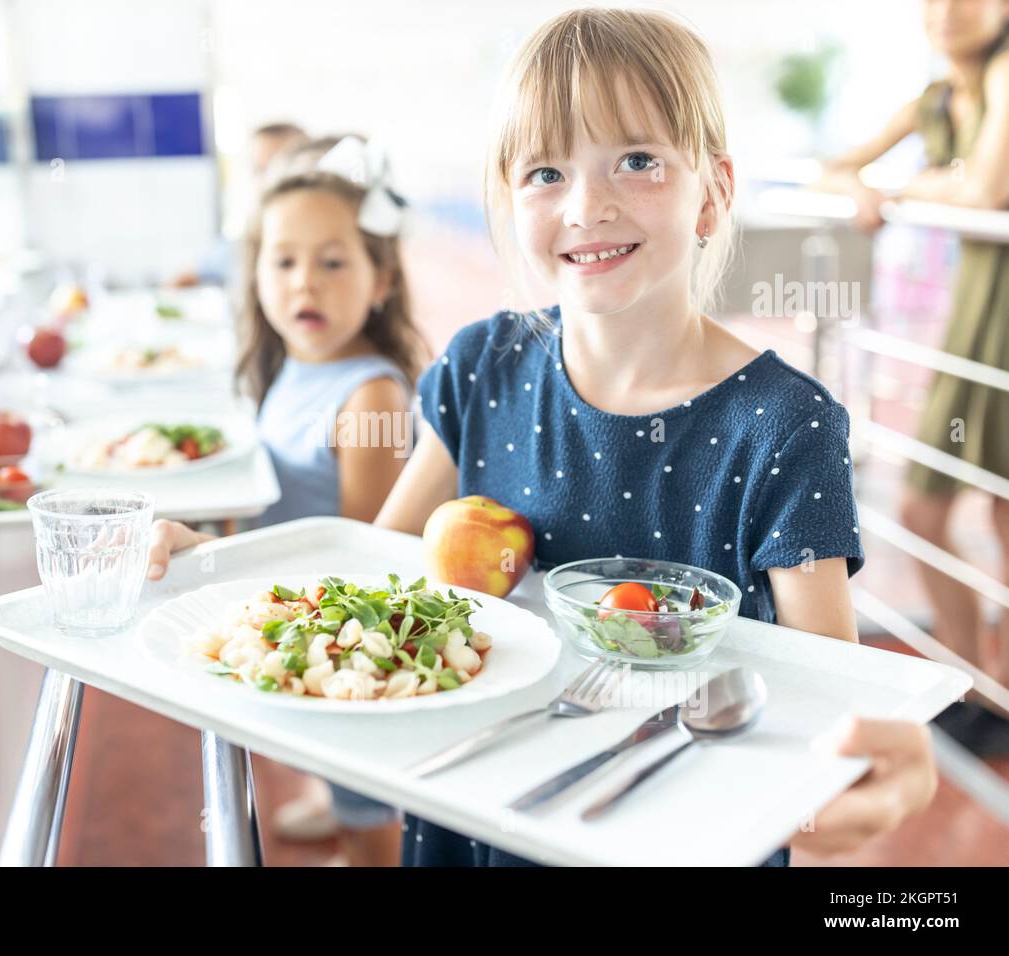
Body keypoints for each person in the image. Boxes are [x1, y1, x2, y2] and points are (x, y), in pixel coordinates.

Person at [145, 7, 940, 865]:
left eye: (637, 161)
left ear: (712, 191)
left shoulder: (787, 425)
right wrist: (229, 577)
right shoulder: (484, 365)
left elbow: (828, 700)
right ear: (507, 197)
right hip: (474, 804)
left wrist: (859, 784)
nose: (588, 205)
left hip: (674, 828)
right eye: (546, 171)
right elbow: (378, 573)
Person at [156, 136, 428, 864]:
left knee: (365, 795)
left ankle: (364, 846)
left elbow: (361, 565)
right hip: (297, 607)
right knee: (328, 772)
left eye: (333, 262)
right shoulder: (291, 367)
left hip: (347, 632)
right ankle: (338, 820)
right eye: (283, 261)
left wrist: (213, 552)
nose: (304, 282)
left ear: (381, 279)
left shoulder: (368, 394)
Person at [816, 0, 1009, 753]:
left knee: (1000, 518)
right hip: (977, 322)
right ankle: (973, 684)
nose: (947, 12)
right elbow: (838, 167)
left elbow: (986, 189)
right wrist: (867, 188)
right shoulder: (934, 98)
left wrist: (898, 188)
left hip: (994, 327)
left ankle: (991, 695)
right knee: (930, 512)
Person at [170, 122, 308, 288]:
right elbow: (184, 278)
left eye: (282, 168)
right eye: (259, 170)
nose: (269, 180)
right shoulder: (237, 248)